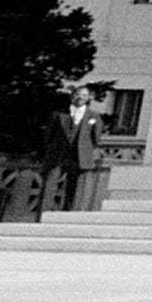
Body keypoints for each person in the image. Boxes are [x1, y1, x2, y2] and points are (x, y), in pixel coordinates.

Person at [52, 84, 108, 213]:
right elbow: (50, 135)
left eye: (84, 95)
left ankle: (68, 207)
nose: (80, 97)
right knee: (54, 182)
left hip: (79, 156)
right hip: (60, 154)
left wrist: (87, 152)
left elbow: (95, 138)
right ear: (72, 96)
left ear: (88, 98)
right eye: (78, 94)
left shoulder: (94, 116)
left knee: (74, 184)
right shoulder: (60, 114)